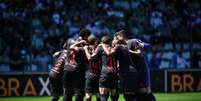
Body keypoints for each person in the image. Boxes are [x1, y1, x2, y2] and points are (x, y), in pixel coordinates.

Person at [89, 35, 119, 101]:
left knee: (103, 94)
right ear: (110, 42)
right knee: (114, 94)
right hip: (114, 73)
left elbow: (91, 57)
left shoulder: (100, 48)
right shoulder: (115, 48)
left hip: (105, 73)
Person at [64, 29, 91, 101]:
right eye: (88, 36)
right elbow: (74, 49)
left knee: (67, 92)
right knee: (79, 92)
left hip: (67, 68)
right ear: (85, 36)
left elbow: (65, 48)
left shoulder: (69, 40)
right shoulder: (84, 44)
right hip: (77, 69)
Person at [83, 35, 101, 101]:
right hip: (97, 74)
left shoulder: (85, 48)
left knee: (88, 95)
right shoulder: (99, 49)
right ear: (95, 42)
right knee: (98, 94)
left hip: (89, 74)